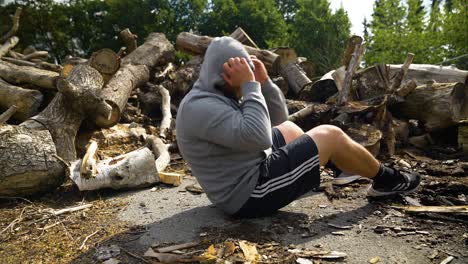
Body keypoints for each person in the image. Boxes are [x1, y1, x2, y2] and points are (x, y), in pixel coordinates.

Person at [176, 37, 420, 218]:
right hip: (247, 195)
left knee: (290, 131)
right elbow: (260, 138)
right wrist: (250, 86)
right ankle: (388, 181)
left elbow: (279, 121)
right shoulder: (200, 107)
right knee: (330, 135)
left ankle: (343, 167)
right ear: (225, 76)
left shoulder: (215, 95)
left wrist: (265, 84)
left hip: (247, 172)